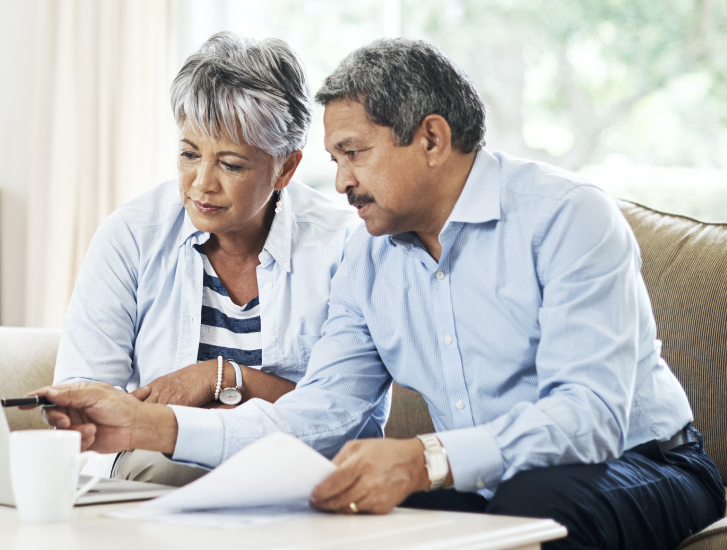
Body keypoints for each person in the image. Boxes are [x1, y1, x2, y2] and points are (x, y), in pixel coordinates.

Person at [35, 38, 725, 548]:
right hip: (485, 481)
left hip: (644, 460)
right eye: (335, 160)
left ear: (431, 138)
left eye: (354, 154)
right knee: (365, 523)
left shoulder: (567, 217)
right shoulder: (364, 260)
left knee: (527, 505)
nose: (338, 184)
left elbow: (590, 416)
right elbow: (320, 417)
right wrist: (152, 426)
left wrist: (427, 458)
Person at [51, 32, 358, 487]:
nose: (201, 184)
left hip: (291, 475)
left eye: (230, 164)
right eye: (189, 154)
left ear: (286, 169)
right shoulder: (131, 236)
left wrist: (222, 378)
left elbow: (348, 417)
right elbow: (83, 400)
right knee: (159, 469)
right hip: (157, 474)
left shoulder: (342, 247)